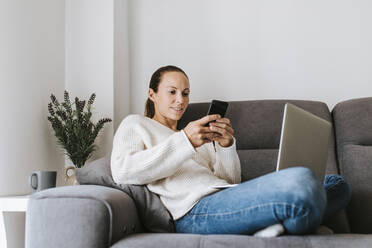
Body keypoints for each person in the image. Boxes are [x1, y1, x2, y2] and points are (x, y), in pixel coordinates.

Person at [110, 65, 351, 237]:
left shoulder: (196, 133)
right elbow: (123, 171)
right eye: (172, 92)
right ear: (152, 94)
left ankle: (281, 225)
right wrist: (185, 141)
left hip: (225, 197)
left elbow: (229, 181)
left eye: (185, 93)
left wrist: (226, 147)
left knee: (337, 184)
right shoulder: (136, 124)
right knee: (302, 180)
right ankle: (289, 220)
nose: (180, 100)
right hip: (194, 212)